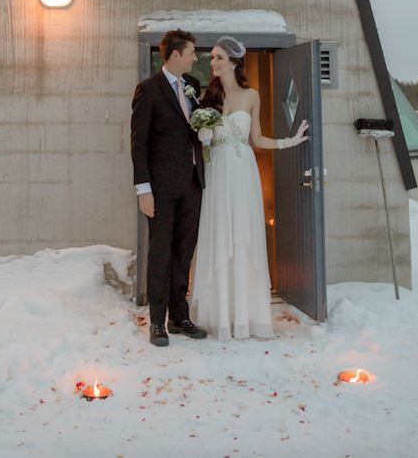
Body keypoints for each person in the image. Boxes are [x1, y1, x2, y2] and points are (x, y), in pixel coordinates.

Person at [190, 36, 308, 341]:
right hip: (216, 172)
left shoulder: (251, 95)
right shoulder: (207, 98)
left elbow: (256, 138)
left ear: (233, 62)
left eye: (218, 58)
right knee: (219, 233)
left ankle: (244, 316)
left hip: (242, 172)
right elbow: (199, 139)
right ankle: (218, 314)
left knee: (241, 235)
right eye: (212, 58)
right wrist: (203, 136)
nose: (213, 63)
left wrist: (287, 142)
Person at [131, 29, 207, 347]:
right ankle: (158, 322)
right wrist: (143, 189)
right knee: (160, 253)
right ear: (175, 54)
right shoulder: (148, 90)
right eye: (191, 52)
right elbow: (139, 143)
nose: (195, 57)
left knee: (183, 252)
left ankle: (179, 316)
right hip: (160, 188)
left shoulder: (192, 87)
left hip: (192, 183)